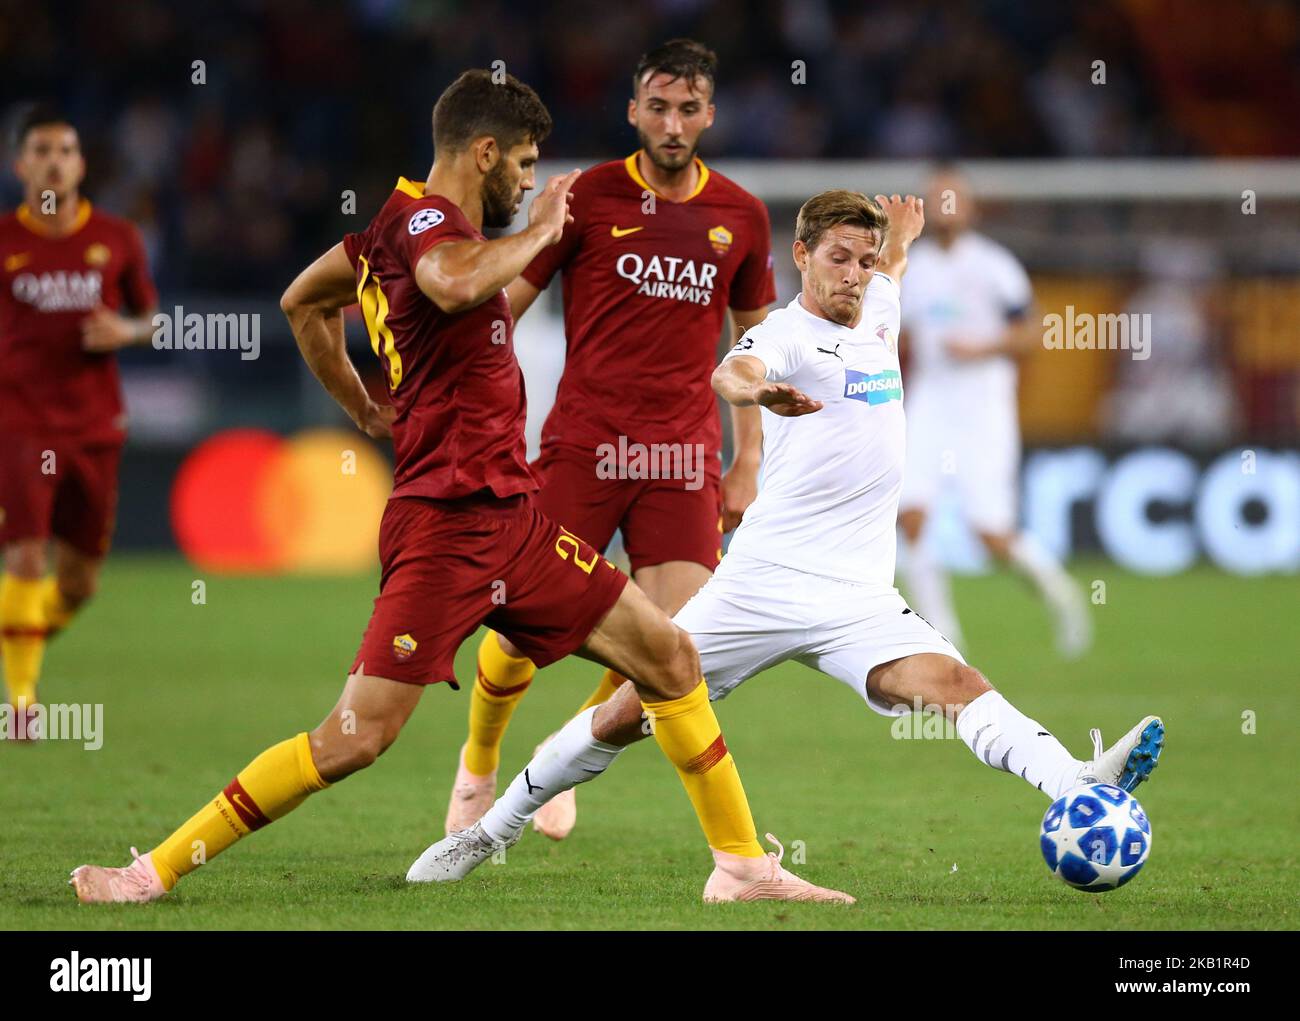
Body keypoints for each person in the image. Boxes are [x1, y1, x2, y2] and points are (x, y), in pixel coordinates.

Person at [69, 70, 849, 906]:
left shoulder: (381, 233)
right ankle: (150, 871)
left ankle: (742, 867)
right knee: (354, 738)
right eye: (521, 162)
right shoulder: (426, 224)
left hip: (512, 517)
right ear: (484, 153)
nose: (526, 179)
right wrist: (544, 228)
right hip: (444, 527)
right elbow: (448, 281)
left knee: (670, 655)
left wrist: (363, 402)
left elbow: (303, 301)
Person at [408, 190, 1163, 885]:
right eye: (838, 257)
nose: (855, 275)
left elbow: (889, 271)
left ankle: (1078, 781)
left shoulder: (882, 303)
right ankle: (485, 834)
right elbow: (731, 371)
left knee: (958, 686)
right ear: (800, 255)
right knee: (618, 720)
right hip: (759, 585)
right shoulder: (787, 335)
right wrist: (759, 389)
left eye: (864, 262)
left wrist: (894, 243)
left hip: (859, 598)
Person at [445, 39, 779, 842]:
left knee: (669, 640)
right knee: (526, 627)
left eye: (688, 107)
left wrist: (749, 458)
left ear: (709, 114)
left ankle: (558, 759)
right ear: (633, 110)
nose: (672, 122)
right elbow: (505, 310)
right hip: (585, 444)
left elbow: (753, 346)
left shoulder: (741, 216)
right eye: (657, 106)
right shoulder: (585, 197)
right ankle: (479, 761)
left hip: (682, 457)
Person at [1, 105, 158, 739]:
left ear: (81, 165)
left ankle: (20, 630)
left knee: (81, 581)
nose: (54, 161)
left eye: (65, 150)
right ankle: (21, 702)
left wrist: (124, 329)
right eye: (41, 150)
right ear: (20, 166)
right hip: (20, 421)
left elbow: (155, 319)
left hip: (96, 426)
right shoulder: (5, 241)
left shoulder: (118, 238)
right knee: (27, 552)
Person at [897, 166, 1091, 657]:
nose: (946, 208)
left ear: (970, 208)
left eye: (953, 199)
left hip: (983, 410)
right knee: (911, 515)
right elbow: (896, 333)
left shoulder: (994, 265)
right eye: (937, 199)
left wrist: (981, 349)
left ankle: (1062, 596)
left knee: (990, 535)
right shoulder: (910, 267)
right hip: (930, 403)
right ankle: (942, 639)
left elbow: (1031, 332)